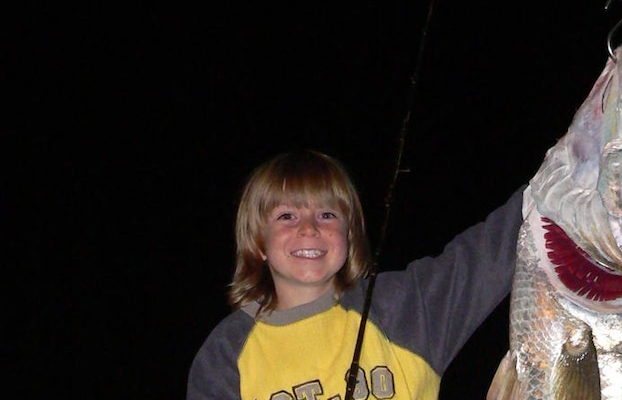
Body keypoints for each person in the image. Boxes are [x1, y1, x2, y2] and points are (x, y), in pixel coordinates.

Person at [186, 149, 525, 400]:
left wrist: (565, 171)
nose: (309, 229)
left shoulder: (403, 308)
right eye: (287, 216)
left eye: (327, 214)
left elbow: (493, 248)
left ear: (349, 235)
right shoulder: (227, 352)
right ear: (258, 242)